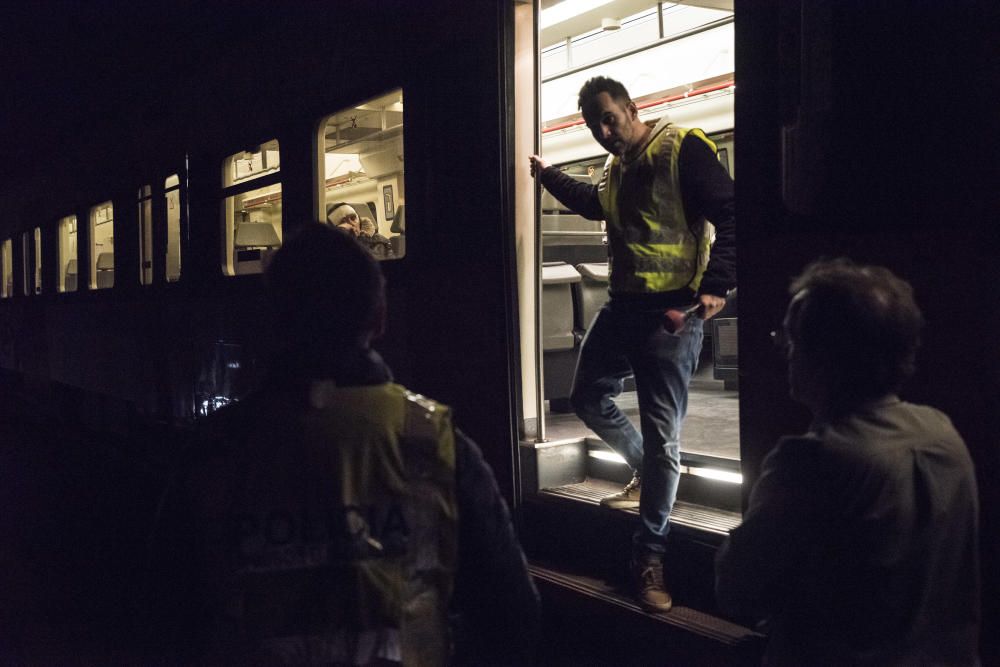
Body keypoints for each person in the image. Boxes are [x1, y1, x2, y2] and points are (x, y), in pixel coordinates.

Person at [146, 223, 539, 664]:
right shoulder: (432, 442)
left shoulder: (218, 447)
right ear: (379, 318)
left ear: (272, 321)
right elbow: (511, 611)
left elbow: (166, 612)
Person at [529, 75, 735, 611]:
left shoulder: (681, 148)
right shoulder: (615, 168)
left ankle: (651, 557)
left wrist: (716, 286)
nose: (603, 132)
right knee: (587, 398)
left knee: (663, 434)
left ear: (631, 108)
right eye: (593, 125)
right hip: (623, 307)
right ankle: (650, 470)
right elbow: (595, 205)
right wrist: (547, 174)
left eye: (609, 119)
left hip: (673, 315)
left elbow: (733, 214)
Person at [715, 259, 980, 666]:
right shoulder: (942, 432)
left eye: (791, 337)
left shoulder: (811, 461)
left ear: (824, 355)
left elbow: (738, 586)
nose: (784, 349)